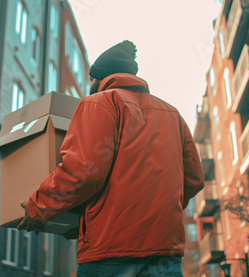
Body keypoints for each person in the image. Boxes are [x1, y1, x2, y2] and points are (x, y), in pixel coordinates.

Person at [18, 40, 204, 277]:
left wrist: (38, 206)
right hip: (164, 252)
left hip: (111, 251)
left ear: (97, 79)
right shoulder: (172, 113)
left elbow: (83, 171)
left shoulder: (99, 103)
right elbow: (194, 180)